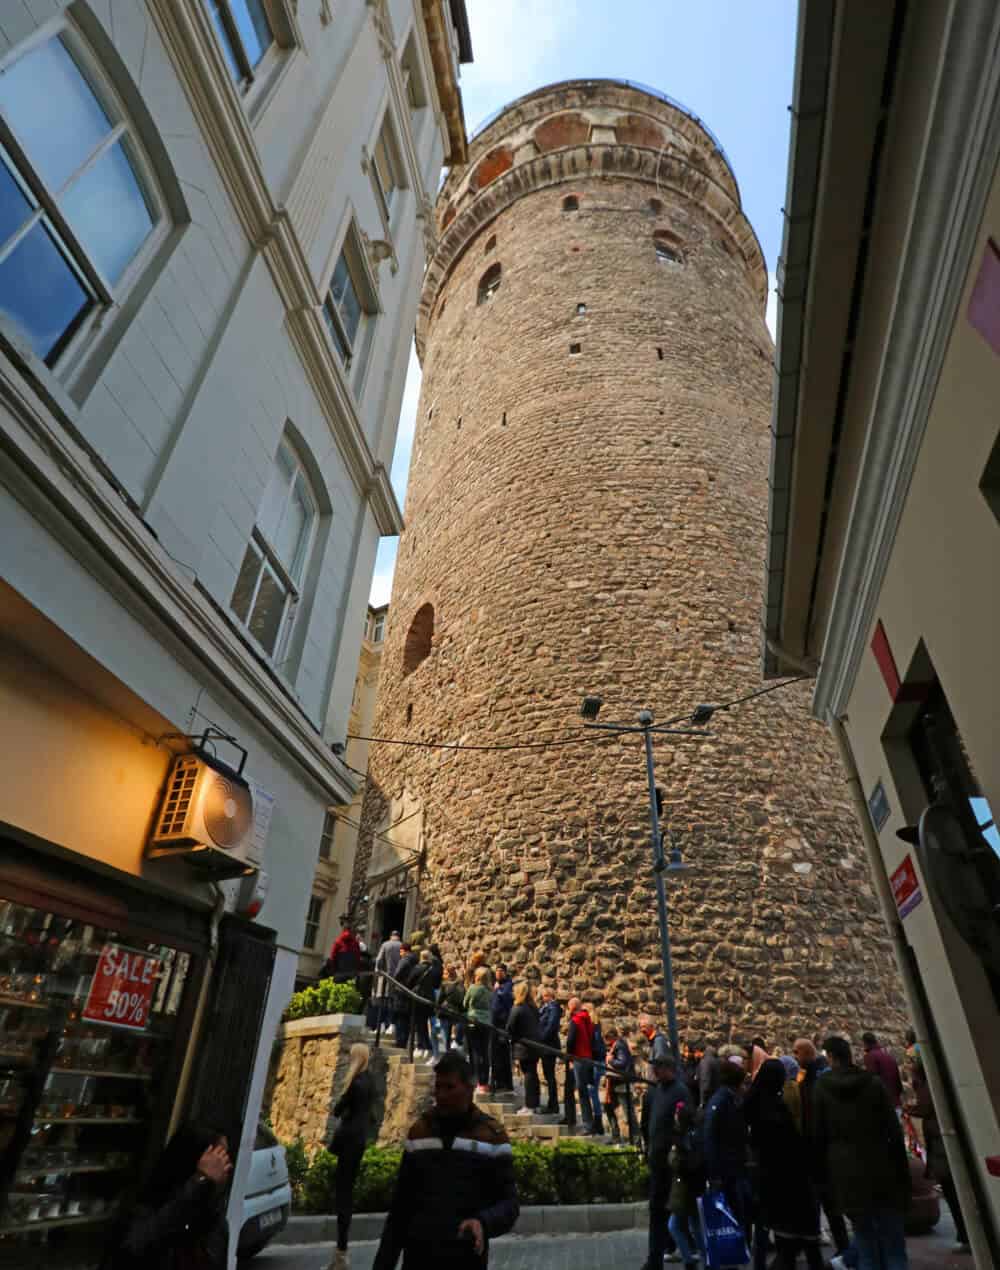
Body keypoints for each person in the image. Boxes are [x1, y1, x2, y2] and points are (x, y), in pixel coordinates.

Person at [372, 1051, 519, 1269]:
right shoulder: (420, 1131)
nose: (441, 1095)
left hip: (466, 1259)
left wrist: (483, 1222)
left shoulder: (492, 1136)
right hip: (418, 1258)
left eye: (449, 1087)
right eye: (438, 1087)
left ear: (469, 1089)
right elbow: (401, 1208)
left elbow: (509, 1204)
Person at [812, 1035, 910, 1270]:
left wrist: (824, 1181)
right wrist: (903, 1174)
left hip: (847, 1176)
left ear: (832, 1057)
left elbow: (818, 1138)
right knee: (894, 1246)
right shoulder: (873, 1084)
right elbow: (893, 1133)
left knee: (866, 1246)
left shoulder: (821, 1089)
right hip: (882, 1170)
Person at [104, 1123, 231, 1269]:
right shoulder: (143, 1211)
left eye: (225, 1161)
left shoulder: (214, 1221)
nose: (224, 1169)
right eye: (217, 1161)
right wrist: (199, 1181)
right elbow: (135, 1247)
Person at [744, 1058, 824, 1269]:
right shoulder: (774, 1108)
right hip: (789, 1180)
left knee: (782, 1241)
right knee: (801, 1242)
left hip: (769, 1177)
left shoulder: (752, 1104)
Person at [794, 1036, 850, 1258]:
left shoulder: (821, 1076)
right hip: (816, 1151)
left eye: (797, 1052)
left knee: (831, 1204)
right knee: (822, 1202)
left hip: (824, 1152)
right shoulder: (808, 1074)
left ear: (808, 1053)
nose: (795, 1056)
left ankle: (845, 1249)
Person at [910, 1061, 970, 1254]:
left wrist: (909, 1108)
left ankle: (965, 1235)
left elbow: (924, 1108)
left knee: (954, 1192)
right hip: (943, 1144)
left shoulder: (927, 1088)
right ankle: (966, 1234)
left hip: (941, 1146)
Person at [641, 1052, 690, 1270]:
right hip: (657, 1162)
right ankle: (655, 1259)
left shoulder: (680, 1091)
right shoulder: (653, 1092)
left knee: (679, 1212)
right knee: (657, 1211)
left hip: (673, 1163)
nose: (655, 1071)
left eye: (659, 1067)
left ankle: (688, 1253)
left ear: (669, 1069)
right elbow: (646, 1123)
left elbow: (685, 1124)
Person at [328, 1043, 375, 1269]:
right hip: (359, 1141)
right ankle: (339, 1254)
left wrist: (343, 1109)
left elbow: (337, 1110)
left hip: (348, 1141)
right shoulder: (370, 1081)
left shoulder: (354, 1083)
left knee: (343, 1196)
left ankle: (341, 1254)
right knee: (346, 1191)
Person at [703, 1053, 752, 1243]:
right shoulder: (722, 1101)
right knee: (735, 1212)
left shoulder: (728, 1099)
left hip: (733, 1166)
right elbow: (711, 1136)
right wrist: (714, 1174)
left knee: (741, 1211)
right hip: (728, 1169)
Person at [667, 1102, 707, 1270]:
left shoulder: (682, 1138)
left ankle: (689, 1260)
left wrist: (672, 1156)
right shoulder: (696, 1134)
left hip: (684, 1189)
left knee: (674, 1226)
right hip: (694, 1187)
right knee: (695, 1226)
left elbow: (678, 1164)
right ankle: (707, 1258)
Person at [506, 982, 542, 1114]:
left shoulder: (518, 1008)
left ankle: (529, 1105)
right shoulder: (533, 1007)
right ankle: (535, 1104)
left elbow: (510, 1027)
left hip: (524, 1046)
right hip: (535, 1045)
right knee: (533, 1074)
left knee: (528, 1074)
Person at [604, 1024, 639, 1144]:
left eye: (607, 1038)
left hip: (621, 1083)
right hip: (615, 1083)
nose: (606, 1041)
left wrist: (610, 1060)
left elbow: (622, 1063)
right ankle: (616, 1136)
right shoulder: (617, 1045)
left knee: (628, 1113)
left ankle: (636, 1139)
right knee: (609, 1108)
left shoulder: (619, 1045)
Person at [566, 997, 595, 1132]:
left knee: (582, 1092)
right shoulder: (587, 1018)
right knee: (586, 1092)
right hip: (588, 1057)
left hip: (579, 1058)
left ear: (572, 1007)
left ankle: (587, 1125)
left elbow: (570, 1040)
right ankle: (591, 1123)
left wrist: (569, 1056)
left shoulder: (575, 1020)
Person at [464, 965, 492, 1093]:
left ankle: (476, 1080)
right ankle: (484, 1083)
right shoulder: (490, 990)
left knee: (474, 1052)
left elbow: (465, 1003)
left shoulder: (473, 988)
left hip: (473, 1021)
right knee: (484, 1053)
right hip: (487, 1022)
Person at [411, 948, 440, 1058]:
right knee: (427, 1024)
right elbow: (437, 984)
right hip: (430, 998)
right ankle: (427, 1047)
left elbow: (410, 981)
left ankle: (422, 1047)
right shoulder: (434, 969)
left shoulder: (417, 968)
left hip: (419, 998)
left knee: (419, 1024)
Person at [489, 965, 514, 1093]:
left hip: (502, 1023)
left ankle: (505, 1083)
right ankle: (496, 1081)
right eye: (496, 971)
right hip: (494, 1023)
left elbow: (506, 998)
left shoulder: (508, 985)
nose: (498, 974)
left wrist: (497, 991)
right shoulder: (496, 984)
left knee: (502, 1054)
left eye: (500, 971)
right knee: (495, 1054)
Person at [863, 1031, 903, 1108]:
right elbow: (898, 1082)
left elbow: (872, 1080)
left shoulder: (870, 1056)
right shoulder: (888, 1056)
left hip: (884, 1103)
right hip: (895, 1101)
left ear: (865, 1043)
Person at [537, 987, 562, 1113]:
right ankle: (552, 1103)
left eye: (544, 995)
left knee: (550, 1075)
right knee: (548, 1075)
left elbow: (551, 1026)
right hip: (545, 1045)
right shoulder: (546, 1007)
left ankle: (553, 1104)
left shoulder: (553, 1008)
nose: (543, 998)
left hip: (548, 1045)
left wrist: (541, 1039)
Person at [391, 941, 418, 1050]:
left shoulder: (404, 960)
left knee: (400, 1017)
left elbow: (397, 974)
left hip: (401, 991)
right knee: (406, 1018)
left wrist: (394, 983)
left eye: (401, 951)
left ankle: (400, 1042)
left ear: (404, 950)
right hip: (411, 992)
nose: (400, 953)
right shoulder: (416, 960)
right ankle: (404, 1041)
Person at [585, 1004, 606, 1136]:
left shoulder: (592, 1027)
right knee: (592, 1092)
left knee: (592, 1092)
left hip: (595, 1062)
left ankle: (597, 1122)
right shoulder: (596, 1026)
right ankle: (597, 1122)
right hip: (597, 1061)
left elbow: (595, 1046)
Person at [440, 966, 466, 1052]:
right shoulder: (461, 984)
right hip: (456, 1012)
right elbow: (462, 999)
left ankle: (446, 1053)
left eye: (445, 973)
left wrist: (437, 1010)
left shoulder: (445, 984)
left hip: (445, 1011)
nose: (444, 975)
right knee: (453, 1036)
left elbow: (440, 999)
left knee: (445, 1036)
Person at [697, 1043, 721, 1108]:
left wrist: (702, 1101)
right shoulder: (715, 1058)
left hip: (708, 1096)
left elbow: (705, 1080)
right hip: (716, 1092)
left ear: (698, 1051)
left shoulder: (705, 1061)